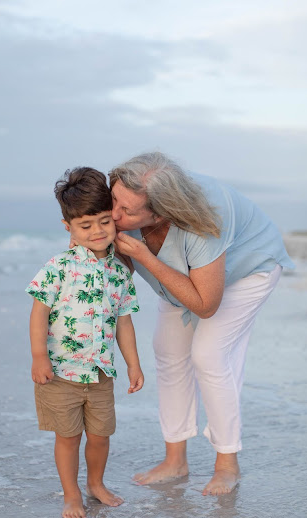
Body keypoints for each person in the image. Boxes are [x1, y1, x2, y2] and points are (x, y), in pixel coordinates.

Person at [109, 151, 294, 496]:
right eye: (114, 201)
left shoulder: (204, 219)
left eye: (128, 212)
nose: (116, 216)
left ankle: (227, 464)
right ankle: (175, 461)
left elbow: (205, 305)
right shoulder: (124, 205)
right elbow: (121, 270)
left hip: (247, 270)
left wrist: (145, 256)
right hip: (185, 278)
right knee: (167, 351)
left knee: (208, 355)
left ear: (161, 212)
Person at [26, 167, 144, 518]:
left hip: (100, 373)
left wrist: (133, 364)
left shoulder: (120, 272)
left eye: (104, 221)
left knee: (100, 436)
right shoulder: (58, 267)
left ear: (115, 220)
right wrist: (38, 357)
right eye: (86, 225)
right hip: (60, 372)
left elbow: (124, 321)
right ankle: (71, 493)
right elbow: (39, 312)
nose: (97, 231)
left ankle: (96, 483)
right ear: (70, 228)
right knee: (68, 437)